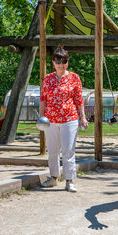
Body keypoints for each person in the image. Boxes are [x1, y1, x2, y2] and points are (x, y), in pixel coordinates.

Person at [38, 47, 87, 191]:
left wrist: (82, 117)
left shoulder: (74, 77)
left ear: (67, 62)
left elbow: (79, 99)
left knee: (68, 150)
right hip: (51, 120)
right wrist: (41, 117)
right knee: (53, 150)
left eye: (64, 61)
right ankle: (53, 177)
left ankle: (69, 180)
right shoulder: (48, 78)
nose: (61, 64)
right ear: (53, 62)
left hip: (69, 119)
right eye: (58, 61)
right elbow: (43, 99)